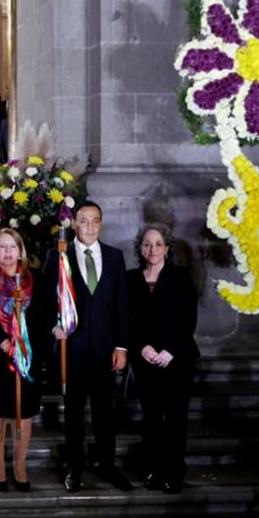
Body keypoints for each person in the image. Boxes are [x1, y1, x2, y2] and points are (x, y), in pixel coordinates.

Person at [49, 200, 134, 493]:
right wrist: (53, 327)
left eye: (95, 221)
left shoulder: (114, 257)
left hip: (105, 350)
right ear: (74, 223)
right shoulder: (58, 256)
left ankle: (107, 465)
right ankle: (74, 466)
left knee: (105, 413)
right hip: (71, 350)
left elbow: (121, 307)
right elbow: (47, 301)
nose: (89, 227)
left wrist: (122, 347)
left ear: (101, 223)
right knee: (73, 413)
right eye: (83, 221)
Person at [127, 223, 199, 495]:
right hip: (146, 360)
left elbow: (188, 318)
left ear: (167, 248)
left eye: (158, 244)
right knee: (152, 419)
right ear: (140, 249)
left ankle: (174, 471)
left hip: (177, 360)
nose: (152, 249)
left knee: (176, 418)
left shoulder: (181, 277)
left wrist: (171, 350)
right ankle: (154, 469)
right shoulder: (131, 278)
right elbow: (127, 320)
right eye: (147, 244)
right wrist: (141, 347)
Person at [0, 228, 43, 493]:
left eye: (12, 246)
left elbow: (41, 315)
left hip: (27, 355)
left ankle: (20, 465)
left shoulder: (33, 277)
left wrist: (23, 344)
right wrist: (3, 341)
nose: (8, 252)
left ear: (20, 250)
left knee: (23, 411)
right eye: (2, 247)